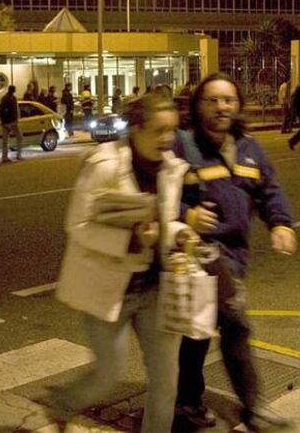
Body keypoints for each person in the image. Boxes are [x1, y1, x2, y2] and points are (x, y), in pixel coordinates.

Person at [54, 93, 197, 433]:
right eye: (159, 130)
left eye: (172, 130)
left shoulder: (171, 169)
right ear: (135, 129)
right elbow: (77, 225)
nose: (167, 139)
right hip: (109, 288)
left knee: (166, 381)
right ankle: (63, 404)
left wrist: (178, 233)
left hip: (154, 288)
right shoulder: (104, 165)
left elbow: (161, 222)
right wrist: (131, 239)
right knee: (108, 374)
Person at [173, 73, 297, 432]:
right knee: (235, 323)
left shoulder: (248, 148)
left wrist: (281, 224)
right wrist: (188, 215)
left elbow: (269, 189)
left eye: (227, 99)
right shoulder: (183, 146)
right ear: (197, 106)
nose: (220, 106)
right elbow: (158, 194)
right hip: (199, 253)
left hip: (236, 257)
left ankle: (187, 401)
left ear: (238, 104)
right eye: (211, 100)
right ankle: (255, 406)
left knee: (197, 332)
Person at [0, 85, 23, 163]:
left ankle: (4, 157)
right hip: (11, 122)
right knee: (19, 137)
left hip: (6, 122)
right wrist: (15, 120)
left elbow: (2, 111)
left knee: (5, 140)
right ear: (13, 91)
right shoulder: (11, 99)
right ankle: (18, 155)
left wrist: (3, 121)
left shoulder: (4, 98)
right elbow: (13, 111)